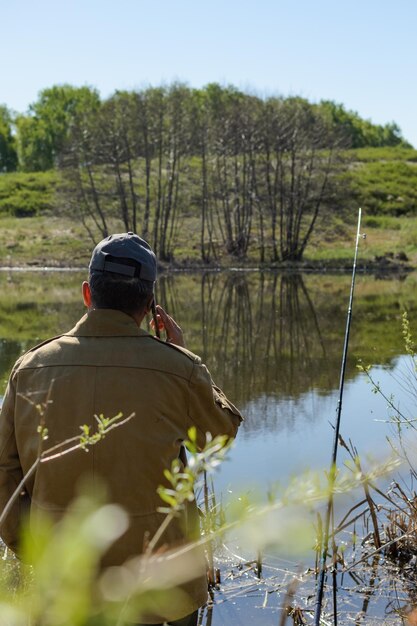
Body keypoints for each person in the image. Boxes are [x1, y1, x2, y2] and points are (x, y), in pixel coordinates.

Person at [0, 232, 242, 625]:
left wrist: (31, 548)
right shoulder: (179, 369)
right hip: (164, 593)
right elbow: (218, 440)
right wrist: (183, 358)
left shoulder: (30, 369)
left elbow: (4, 473)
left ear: (87, 293)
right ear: (150, 305)